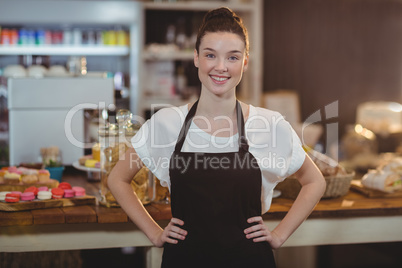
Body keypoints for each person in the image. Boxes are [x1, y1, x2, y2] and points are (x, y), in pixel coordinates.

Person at [108, 7, 326, 268]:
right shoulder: (168, 123)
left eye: (232, 58)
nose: (220, 67)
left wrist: (279, 235)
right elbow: (118, 179)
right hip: (184, 261)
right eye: (211, 55)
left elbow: (314, 181)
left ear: (245, 62)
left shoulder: (268, 124)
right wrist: (155, 233)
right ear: (196, 58)